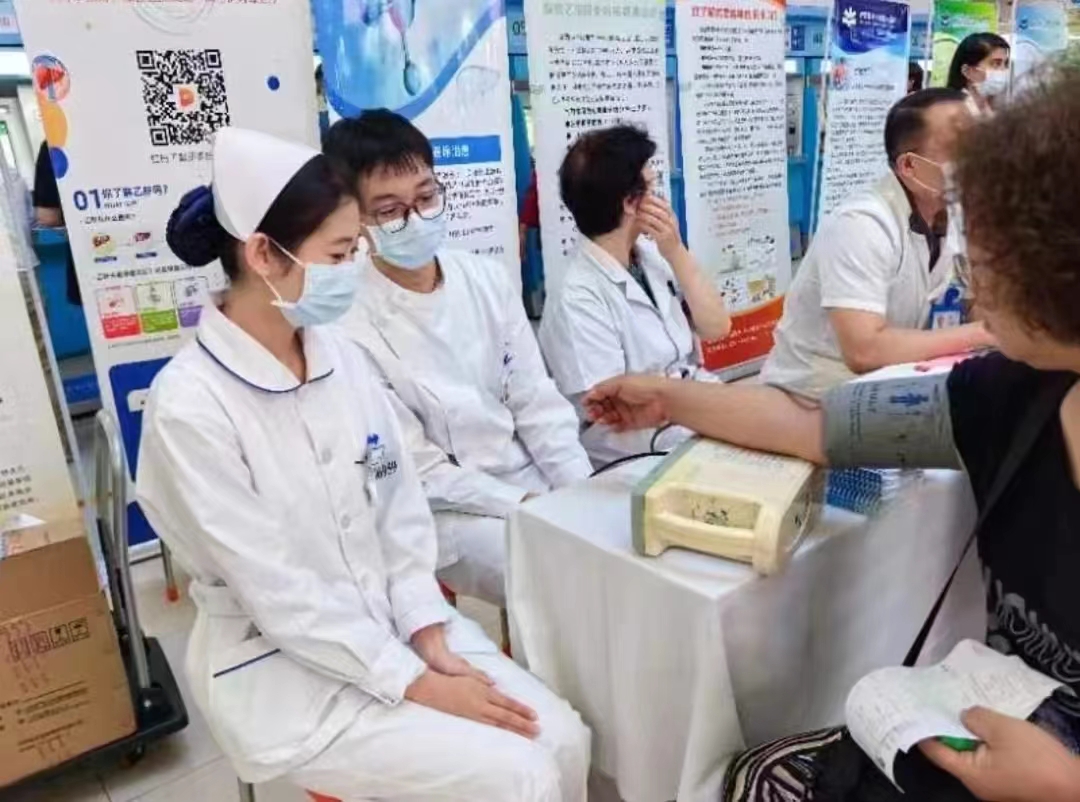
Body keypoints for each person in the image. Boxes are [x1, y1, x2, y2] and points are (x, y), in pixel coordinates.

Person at [585, 62, 1080, 802]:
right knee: (756, 776)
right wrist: (669, 398)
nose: (972, 283)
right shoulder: (1008, 394)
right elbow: (817, 429)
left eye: (986, 257)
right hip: (1016, 719)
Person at [136, 127, 591, 802]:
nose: (355, 267)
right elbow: (277, 591)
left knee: (564, 738)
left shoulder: (339, 359)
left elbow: (399, 512)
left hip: (396, 622)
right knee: (522, 774)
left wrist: (427, 630)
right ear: (263, 254)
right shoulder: (190, 407)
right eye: (340, 253)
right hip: (286, 669)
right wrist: (414, 681)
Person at [324, 110, 592, 606]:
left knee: (610, 549)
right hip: (441, 509)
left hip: (527, 475)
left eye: (426, 197)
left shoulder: (485, 279)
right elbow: (414, 467)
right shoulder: (345, 325)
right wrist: (525, 504)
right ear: (354, 220)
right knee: (563, 579)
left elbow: (535, 399)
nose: (416, 218)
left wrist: (579, 490)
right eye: (390, 210)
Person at [758, 88, 995, 399]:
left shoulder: (952, 215)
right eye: (960, 146)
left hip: (890, 384)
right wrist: (983, 333)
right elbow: (864, 350)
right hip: (811, 394)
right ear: (909, 166)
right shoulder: (861, 224)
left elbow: (978, 305)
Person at [538, 124, 731, 466]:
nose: (659, 197)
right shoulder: (576, 295)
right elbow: (615, 408)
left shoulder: (652, 256)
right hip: (639, 446)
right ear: (630, 202)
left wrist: (676, 251)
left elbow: (717, 327)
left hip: (689, 408)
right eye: (652, 187)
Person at [33, 140, 81, 306]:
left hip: (90, 254)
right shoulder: (141, 129)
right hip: (150, 252)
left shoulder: (56, 141)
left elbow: (48, 217)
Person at [947, 33, 1011, 117]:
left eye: (1005, 64)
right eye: (996, 63)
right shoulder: (955, 112)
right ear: (967, 71)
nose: (1003, 70)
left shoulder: (997, 107)